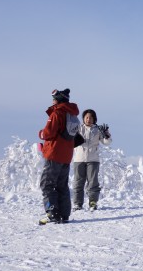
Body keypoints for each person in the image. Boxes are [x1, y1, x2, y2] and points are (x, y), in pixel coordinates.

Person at [38, 88, 79, 224]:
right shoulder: (72, 115)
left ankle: (52, 213)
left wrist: (41, 134)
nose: (52, 101)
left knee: (47, 184)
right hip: (66, 155)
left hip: (54, 154)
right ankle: (64, 214)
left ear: (59, 99)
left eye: (54, 98)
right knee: (62, 185)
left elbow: (48, 132)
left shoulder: (57, 113)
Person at [72, 109, 112, 211]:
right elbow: (71, 139)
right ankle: (77, 204)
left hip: (93, 159)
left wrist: (107, 135)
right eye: (87, 117)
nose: (88, 119)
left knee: (93, 182)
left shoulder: (98, 130)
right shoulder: (79, 128)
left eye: (91, 117)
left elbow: (106, 142)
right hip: (79, 159)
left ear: (94, 119)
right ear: (84, 118)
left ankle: (93, 202)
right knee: (78, 182)